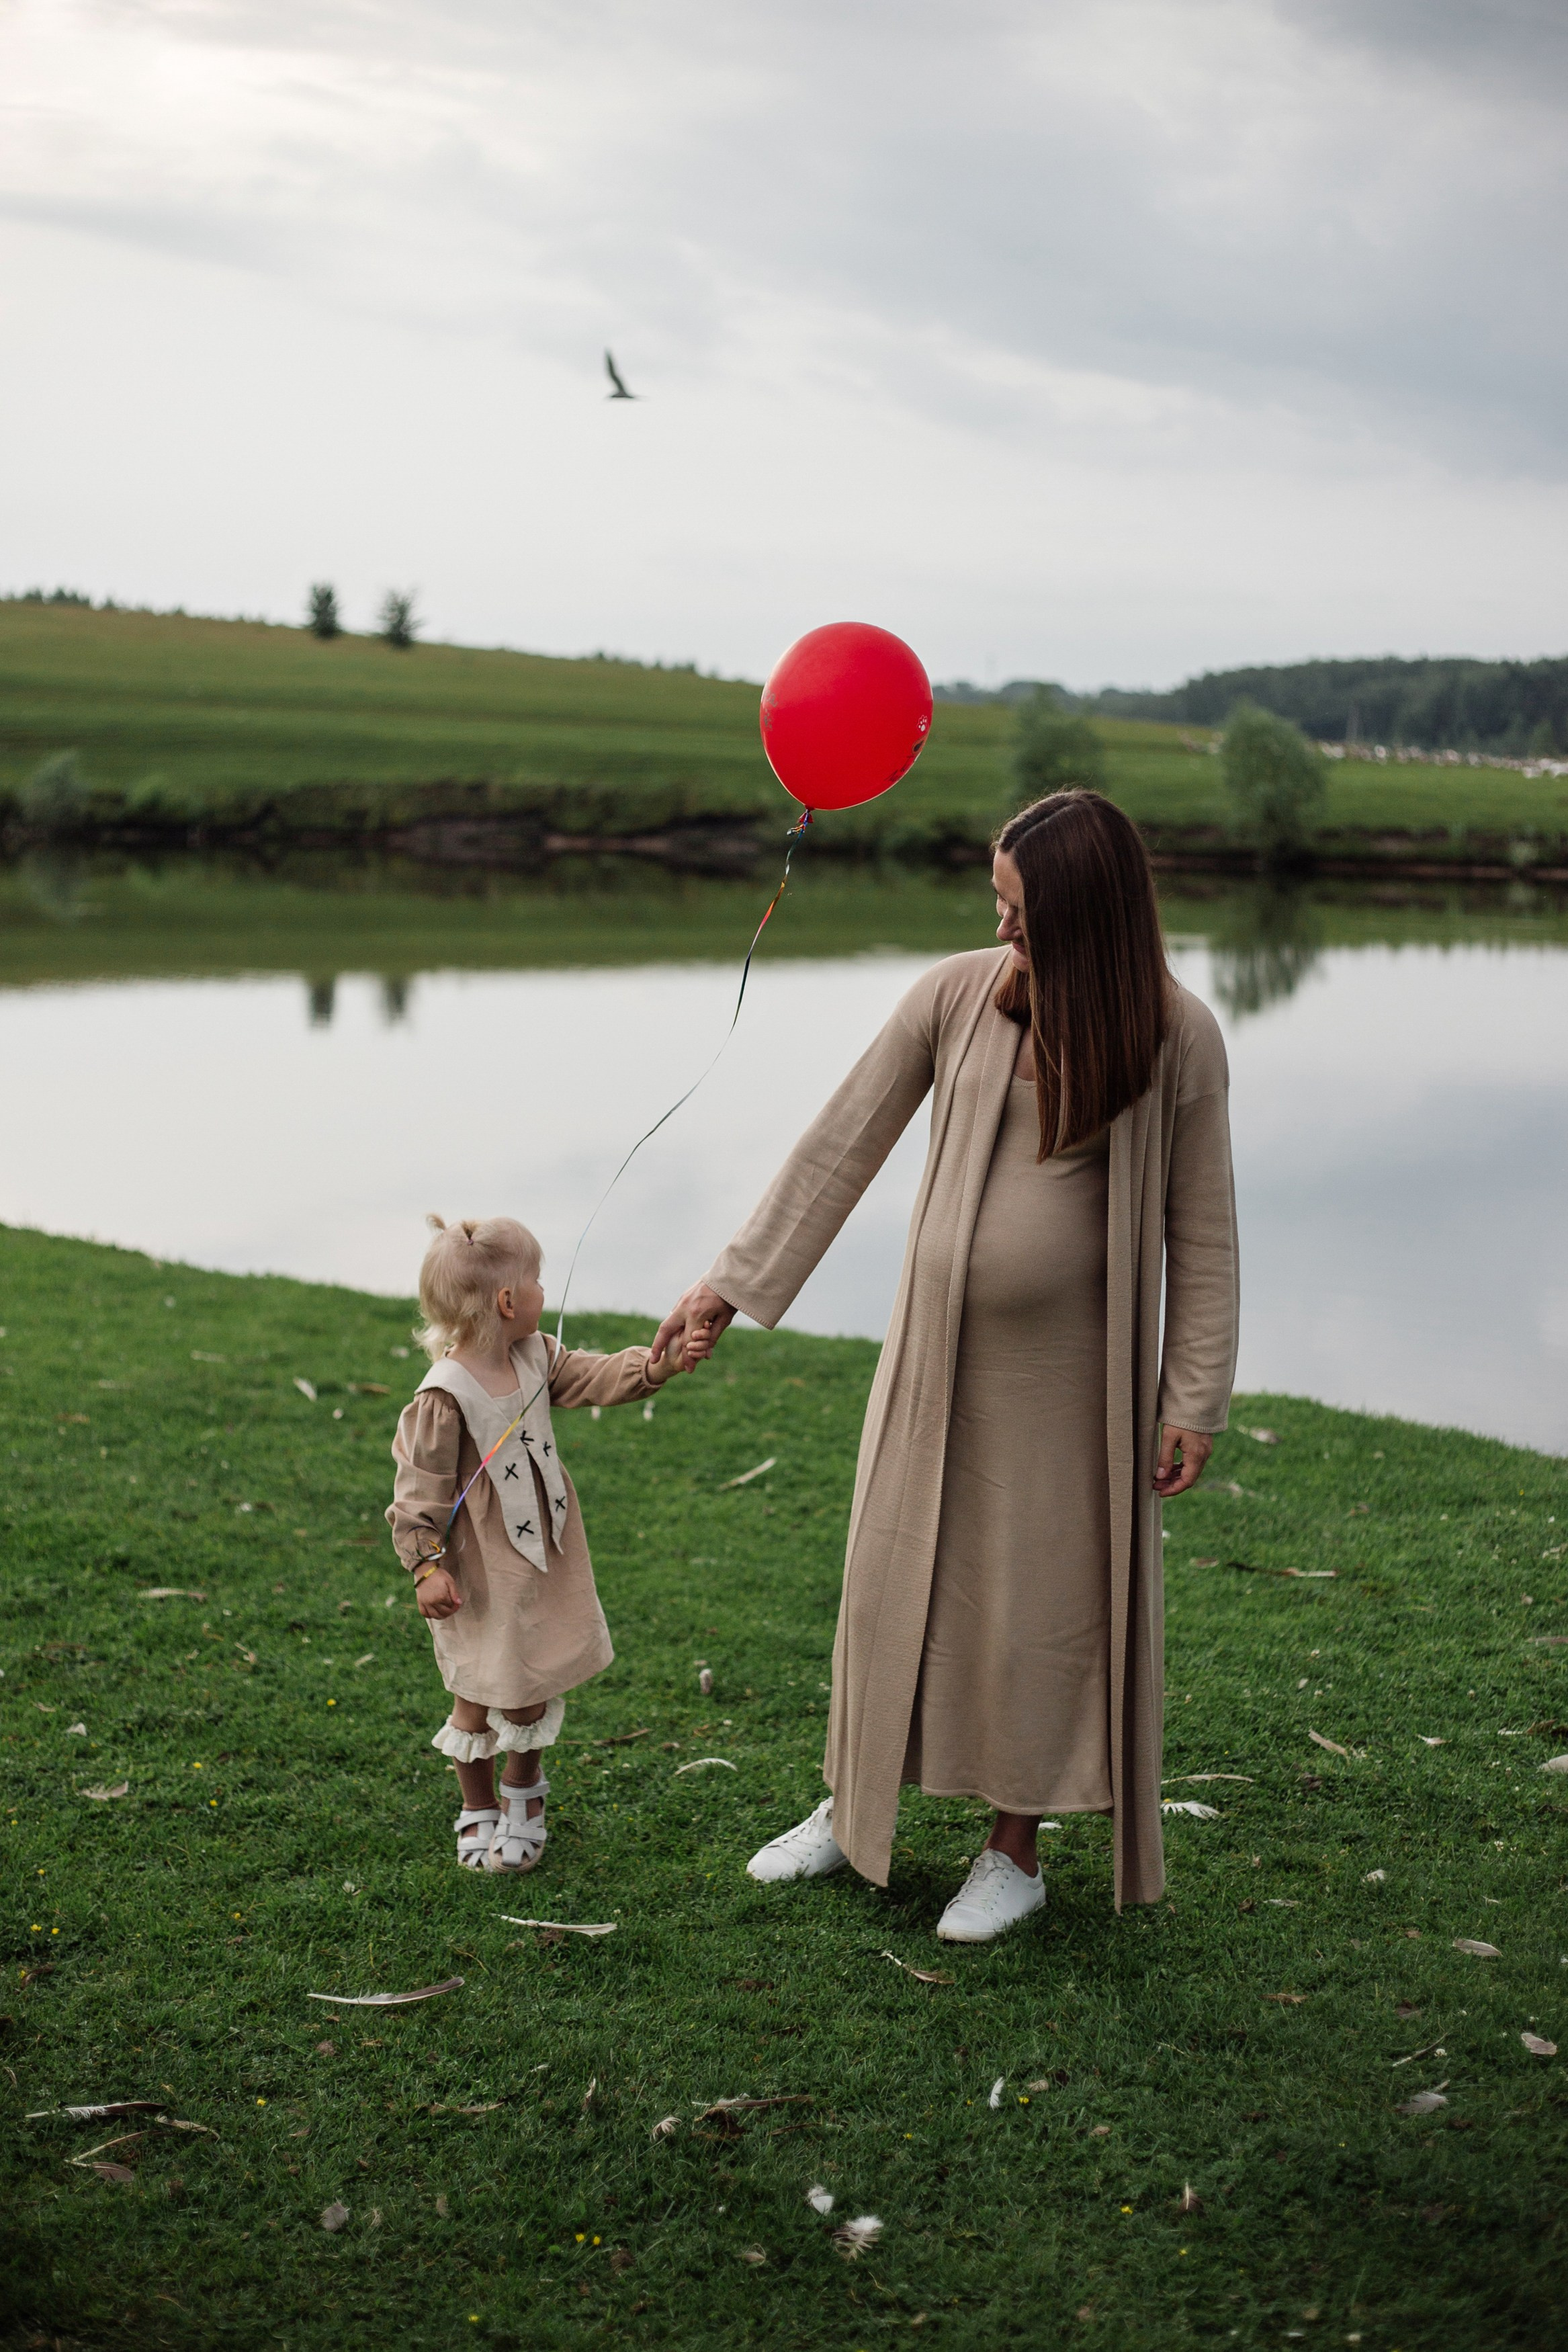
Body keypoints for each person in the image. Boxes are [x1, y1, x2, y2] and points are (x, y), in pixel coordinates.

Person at [654, 790, 1238, 1941]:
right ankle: (851, 1809)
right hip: (933, 1363)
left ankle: (1011, 1852)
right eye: (995, 905)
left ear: (1086, 914)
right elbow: (837, 1147)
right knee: (885, 1592)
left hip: (1072, 1385)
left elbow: (1202, 1232)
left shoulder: (1176, 1037)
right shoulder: (953, 997)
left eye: (1020, 912)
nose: (1002, 929)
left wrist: (1192, 1397)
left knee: (1037, 1612)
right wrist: (728, 1283)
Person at [388, 1214, 685, 1871]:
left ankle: (524, 1797)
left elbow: (593, 1376)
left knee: (531, 1682)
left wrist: (655, 1366)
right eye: (537, 1280)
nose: (545, 1291)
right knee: (478, 1687)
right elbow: (420, 1485)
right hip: (480, 1567)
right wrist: (425, 1565)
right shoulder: (445, 1394)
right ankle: (478, 1807)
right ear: (506, 1301)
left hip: (543, 1554)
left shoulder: (536, 1355)